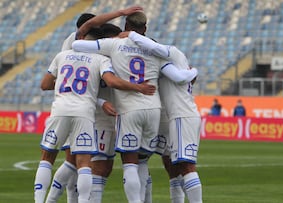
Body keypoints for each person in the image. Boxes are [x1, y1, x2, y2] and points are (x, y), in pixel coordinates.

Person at [73, 11, 198, 203]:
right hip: (154, 110)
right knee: (143, 161)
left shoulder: (115, 44)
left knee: (130, 163)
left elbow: (77, 45)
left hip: (129, 109)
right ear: (145, 29)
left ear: (125, 27)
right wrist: (193, 72)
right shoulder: (156, 53)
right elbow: (178, 76)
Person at [33, 27, 156, 203]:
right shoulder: (101, 59)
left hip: (61, 110)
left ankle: (42, 200)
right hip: (88, 115)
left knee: (50, 158)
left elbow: (45, 84)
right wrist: (139, 87)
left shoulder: (63, 55)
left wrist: (68, 86)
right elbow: (112, 81)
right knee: (86, 164)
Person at [45, 24, 123, 203]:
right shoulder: (96, 56)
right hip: (93, 117)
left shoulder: (90, 54)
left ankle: (54, 200)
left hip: (84, 114)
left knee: (79, 163)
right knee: (92, 166)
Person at [125, 30, 202, 203]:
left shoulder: (166, 57)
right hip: (170, 116)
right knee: (172, 165)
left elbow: (180, 77)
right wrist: (194, 73)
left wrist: (130, 34)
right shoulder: (164, 62)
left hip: (181, 115)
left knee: (186, 165)